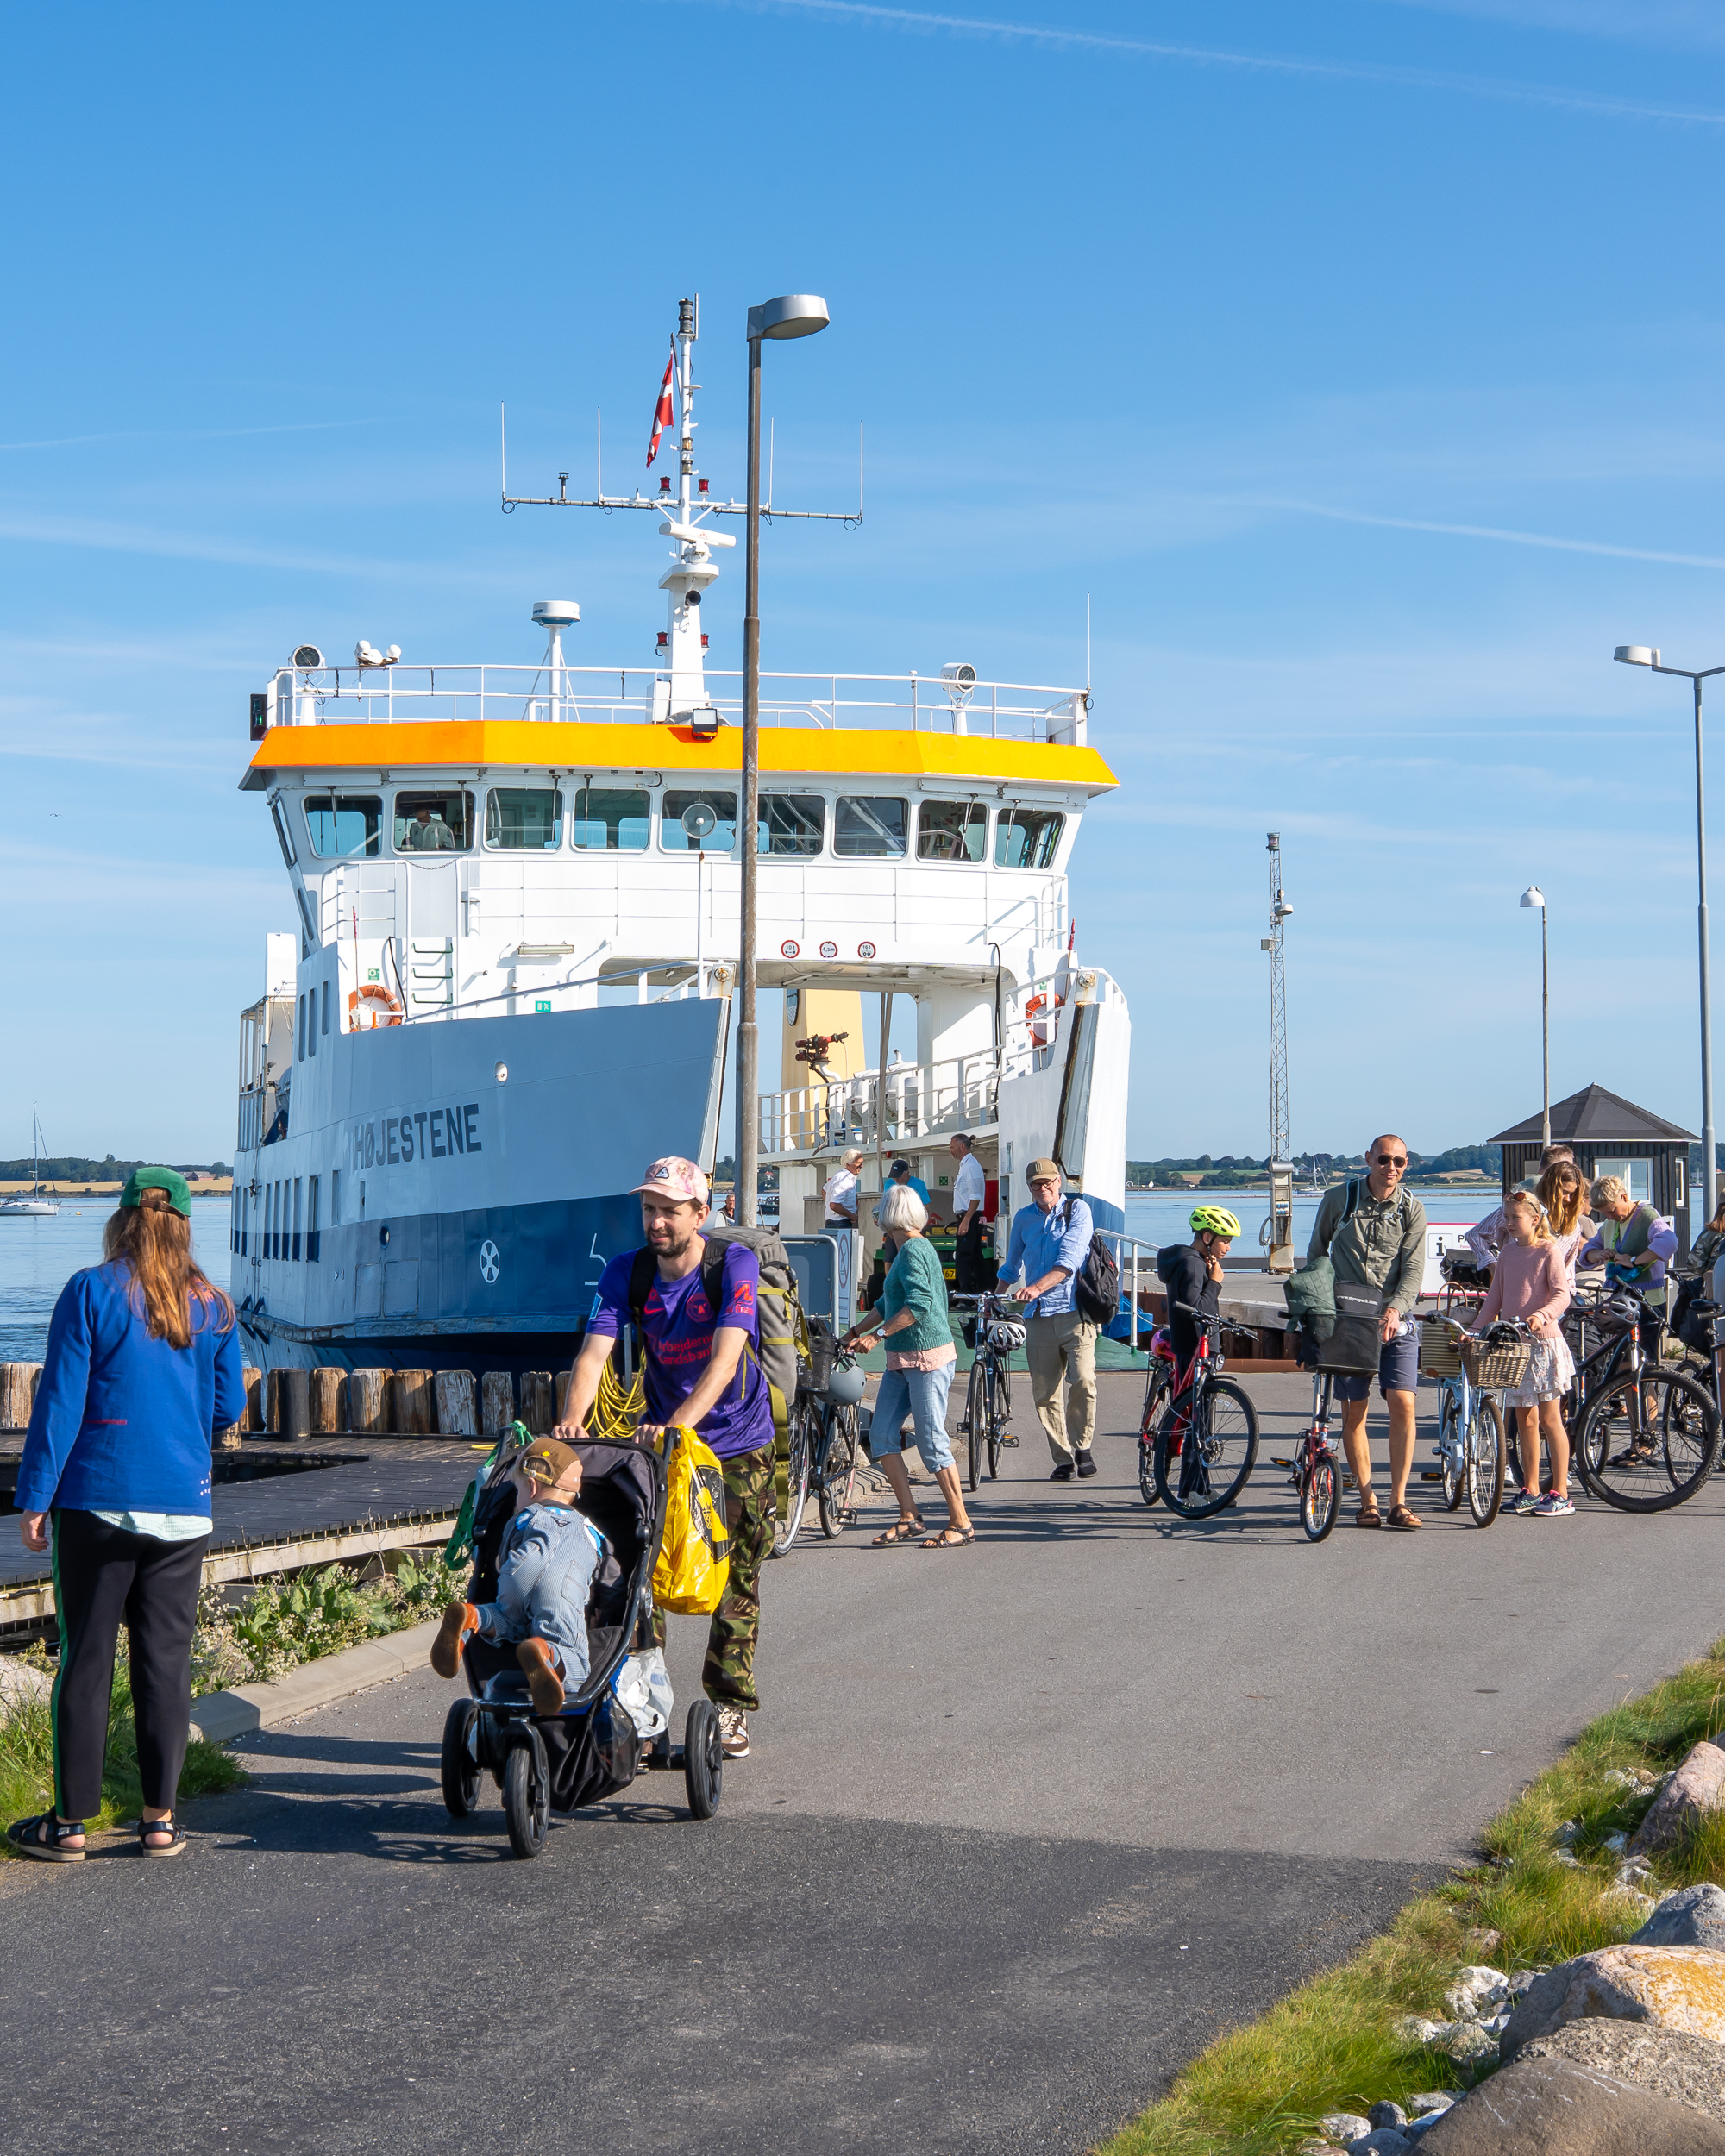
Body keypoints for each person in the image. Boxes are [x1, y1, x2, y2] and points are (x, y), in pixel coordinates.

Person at [7, 1169, 244, 1860]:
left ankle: (70, 1825)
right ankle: (160, 1821)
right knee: (165, 1666)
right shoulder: (215, 1307)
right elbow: (228, 1409)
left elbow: (60, 1402)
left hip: (100, 1499)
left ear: (120, 1220)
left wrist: (35, 1495)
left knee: (85, 1662)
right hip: (183, 1507)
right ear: (186, 1225)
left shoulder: (90, 1290)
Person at [554, 1156, 773, 1761]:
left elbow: (726, 1360)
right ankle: (645, 1714)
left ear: (700, 1214)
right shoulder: (628, 1273)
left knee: (734, 1579)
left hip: (735, 1443)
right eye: (649, 1209)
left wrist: (676, 1428)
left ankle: (729, 1706)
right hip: (663, 1444)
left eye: (670, 1210)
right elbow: (594, 1357)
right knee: (638, 1578)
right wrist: (573, 1425)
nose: (656, 1222)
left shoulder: (732, 1265)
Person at [430, 1438, 608, 1713]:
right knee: (579, 1665)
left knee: (508, 1617)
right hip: (564, 1584)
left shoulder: (525, 1518)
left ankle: (470, 1617)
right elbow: (606, 1578)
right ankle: (546, 1651)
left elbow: (503, 1562)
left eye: (518, 1491)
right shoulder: (592, 1530)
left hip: (521, 1569)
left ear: (532, 1487)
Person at [841, 1185, 975, 1549]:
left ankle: (961, 1523)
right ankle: (909, 1516)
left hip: (927, 1358)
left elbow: (918, 1303)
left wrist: (876, 1336)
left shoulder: (914, 1249)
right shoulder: (904, 1250)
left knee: (932, 1442)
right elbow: (888, 1301)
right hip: (902, 1359)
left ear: (890, 1215)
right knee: (883, 1436)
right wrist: (854, 1332)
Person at [1305, 1135, 1428, 1530]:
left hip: (1397, 1317)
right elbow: (1316, 1253)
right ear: (1368, 1160)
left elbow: (1413, 1268)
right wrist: (1322, 1304)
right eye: (1383, 1159)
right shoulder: (1340, 1199)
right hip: (1350, 1319)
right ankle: (1367, 1499)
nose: (1390, 1168)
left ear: (1406, 1164)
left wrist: (1395, 1308)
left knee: (1404, 1403)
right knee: (1354, 1410)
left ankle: (1399, 1501)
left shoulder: (1412, 1209)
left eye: (1399, 1162)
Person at [1471, 1188, 1576, 1517]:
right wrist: (1473, 1332)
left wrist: (1541, 1315)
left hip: (1545, 1344)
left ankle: (1560, 1492)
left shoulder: (1548, 1251)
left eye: (1515, 1217)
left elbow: (1562, 1295)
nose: (1509, 1223)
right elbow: (1494, 1300)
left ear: (1535, 1218)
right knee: (1523, 1419)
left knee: (1550, 1419)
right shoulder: (1506, 1254)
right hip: (1515, 1348)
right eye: (1506, 1217)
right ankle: (1529, 1489)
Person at [998, 1158, 1098, 1481]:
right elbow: (1012, 1265)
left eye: (1048, 1182)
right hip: (1038, 1317)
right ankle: (1064, 1459)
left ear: (1059, 1181)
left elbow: (1069, 1259)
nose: (1043, 1189)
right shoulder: (1024, 1218)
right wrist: (995, 1296)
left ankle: (1082, 1446)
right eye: (1036, 1184)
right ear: (1029, 1188)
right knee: (1045, 1393)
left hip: (1074, 1312)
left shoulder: (1077, 1211)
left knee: (1082, 1380)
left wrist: (1035, 1288)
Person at [1578, 1175, 1678, 1331]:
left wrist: (1633, 1260)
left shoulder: (1647, 1216)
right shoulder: (1611, 1222)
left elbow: (1669, 1242)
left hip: (1647, 1302)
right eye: (1605, 1214)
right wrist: (1598, 1254)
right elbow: (1588, 1250)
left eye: (1612, 1211)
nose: (1610, 1217)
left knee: (1645, 1352)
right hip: (1618, 1302)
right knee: (1620, 1352)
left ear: (1624, 1197)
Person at [1465, 1144, 1578, 1274]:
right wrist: (1495, 1267)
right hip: (1521, 1280)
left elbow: (1477, 1234)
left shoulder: (1573, 1223)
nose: (1570, 1172)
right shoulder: (1523, 1203)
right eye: (1567, 1168)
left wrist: (1493, 1265)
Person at [1159, 1206, 1241, 1374]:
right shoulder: (1193, 1264)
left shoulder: (1190, 1260)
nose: (1228, 1247)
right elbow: (1196, 1310)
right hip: (1196, 1347)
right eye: (1225, 1241)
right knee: (1193, 1398)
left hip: (1191, 1344)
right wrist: (1215, 1282)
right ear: (1207, 1237)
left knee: (1193, 1398)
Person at [950, 1133, 989, 1294]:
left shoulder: (971, 1166)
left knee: (964, 1257)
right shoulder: (965, 1166)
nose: (950, 1151)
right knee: (974, 1256)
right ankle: (980, 1292)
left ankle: (967, 1295)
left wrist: (966, 1220)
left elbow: (975, 1196)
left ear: (961, 1147)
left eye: (952, 1147)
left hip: (970, 1216)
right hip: (967, 1216)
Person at [823, 1149, 865, 1229]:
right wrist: (851, 1215)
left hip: (836, 1221)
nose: (862, 1166)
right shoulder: (844, 1180)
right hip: (840, 1223)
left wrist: (829, 1206)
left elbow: (824, 1190)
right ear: (848, 1164)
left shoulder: (840, 1176)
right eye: (859, 1163)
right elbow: (834, 1205)